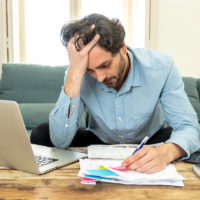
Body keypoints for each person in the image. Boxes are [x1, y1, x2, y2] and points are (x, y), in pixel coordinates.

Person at [31, 13, 200, 174]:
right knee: (41, 133)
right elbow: (60, 140)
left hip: (151, 139)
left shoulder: (161, 66)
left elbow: (189, 127)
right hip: (101, 141)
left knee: (190, 139)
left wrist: (167, 152)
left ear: (123, 48)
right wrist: (74, 75)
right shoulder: (77, 73)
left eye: (105, 65)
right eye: (90, 70)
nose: (99, 77)